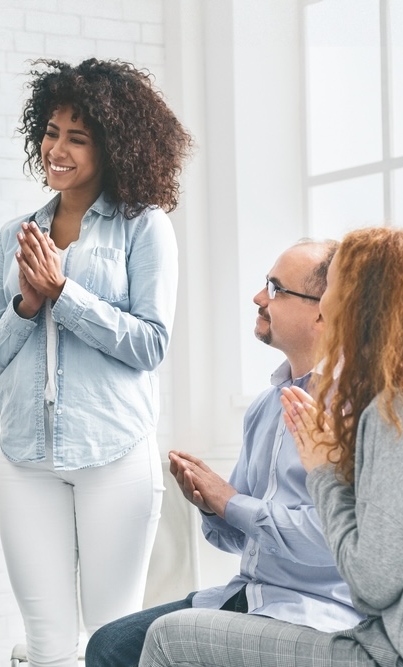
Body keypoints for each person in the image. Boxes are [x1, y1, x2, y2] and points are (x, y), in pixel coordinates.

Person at [142, 226, 403, 667]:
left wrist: (322, 471)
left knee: (167, 636)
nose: (326, 306)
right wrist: (215, 503)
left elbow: (370, 583)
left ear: (361, 303)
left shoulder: (395, 412)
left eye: (335, 288)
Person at [0, 57, 192, 666]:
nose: (57, 148)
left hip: (114, 457)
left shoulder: (144, 229)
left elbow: (150, 343)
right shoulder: (13, 235)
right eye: (50, 132)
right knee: (45, 643)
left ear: (114, 145)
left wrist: (65, 294)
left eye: (78, 136)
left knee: (111, 637)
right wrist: (28, 301)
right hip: (25, 460)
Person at [85, 240, 362, 666]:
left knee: (138, 643)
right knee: (110, 643)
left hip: (313, 611)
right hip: (247, 594)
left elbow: (330, 542)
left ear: (322, 311)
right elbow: (237, 539)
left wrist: (230, 501)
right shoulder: (266, 407)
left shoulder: (353, 410)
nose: (258, 298)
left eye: (275, 288)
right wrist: (211, 504)